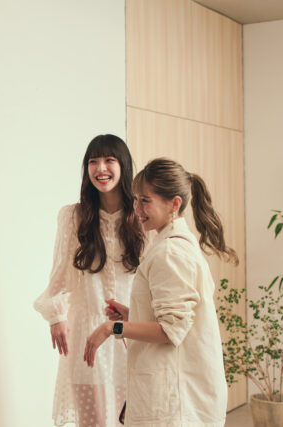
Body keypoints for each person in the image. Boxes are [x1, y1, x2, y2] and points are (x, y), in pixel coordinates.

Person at [83, 157, 238, 427]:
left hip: (176, 400)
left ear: (174, 204)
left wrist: (111, 328)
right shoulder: (171, 244)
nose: (137, 208)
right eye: (136, 199)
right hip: (173, 394)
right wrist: (132, 314)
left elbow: (170, 331)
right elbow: (174, 320)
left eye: (145, 200)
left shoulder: (170, 252)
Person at [34, 134, 146, 427]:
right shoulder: (73, 216)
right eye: (93, 161)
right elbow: (59, 276)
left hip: (132, 332)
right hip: (87, 336)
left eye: (109, 160)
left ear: (123, 165)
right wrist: (56, 316)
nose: (100, 168)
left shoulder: (141, 216)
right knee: (92, 422)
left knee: (134, 419)